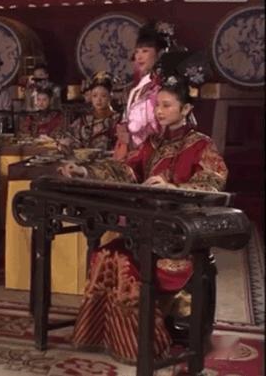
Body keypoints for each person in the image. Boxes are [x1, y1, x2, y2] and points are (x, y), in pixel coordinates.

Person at [59, 52, 226, 364]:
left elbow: (213, 181)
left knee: (125, 263)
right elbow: (125, 169)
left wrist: (174, 188)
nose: (159, 111)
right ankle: (109, 336)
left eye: (167, 106)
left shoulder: (202, 144)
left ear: (186, 109)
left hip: (179, 239)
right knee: (106, 254)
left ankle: (141, 344)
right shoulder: (152, 143)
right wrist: (85, 171)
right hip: (145, 230)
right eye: (158, 105)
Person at [114, 21, 175, 160]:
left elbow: (164, 127)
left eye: (145, 51)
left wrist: (134, 139)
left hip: (156, 152)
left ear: (159, 54)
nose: (139, 56)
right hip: (134, 151)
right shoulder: (138, 87)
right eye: (137, 52)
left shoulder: (164, 86)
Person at [58, 72, 120, 151]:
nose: (98, 100)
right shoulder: (84, 120)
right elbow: (70, 138)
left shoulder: (118, 119)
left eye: (103, 96)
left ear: (110, 97)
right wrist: (66, 143)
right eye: (95, 96)